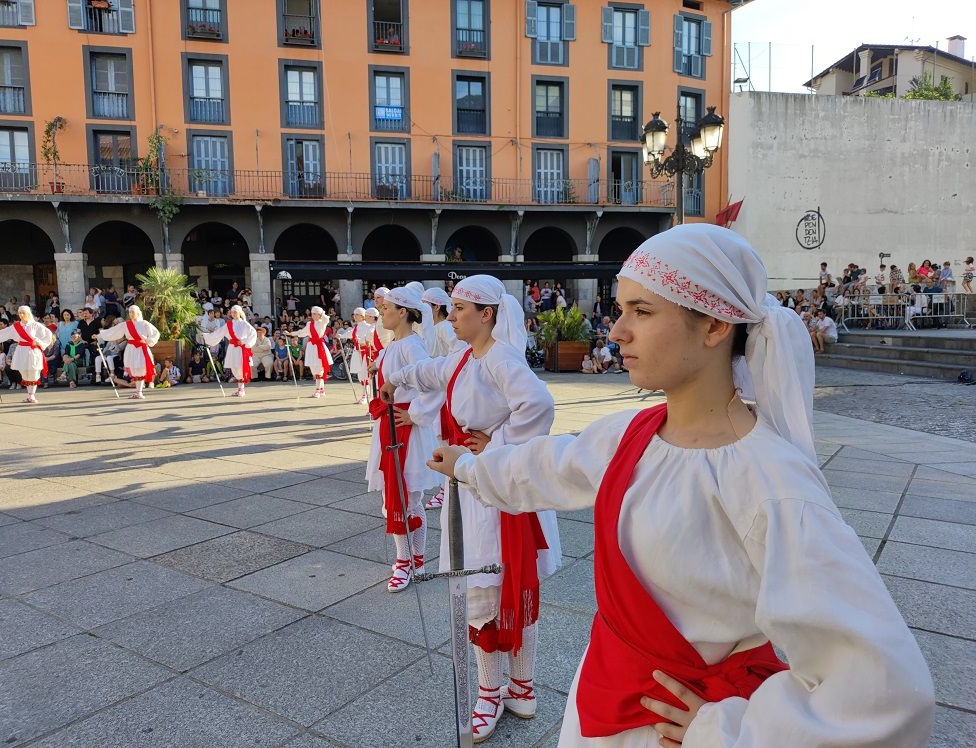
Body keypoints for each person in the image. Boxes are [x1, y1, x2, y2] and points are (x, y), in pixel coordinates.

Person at [427, 224, 934, 747]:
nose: (617, 330)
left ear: (714, 325)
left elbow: (884, 690)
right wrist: (467, 466)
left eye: (642, 312)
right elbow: (551, 464)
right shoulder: (634, 432)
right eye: (621, 309)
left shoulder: (773, 483)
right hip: (604, 699)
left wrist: (729, 730)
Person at [381, 275, 562, 742]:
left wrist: (493, 445)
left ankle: (512, 687)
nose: (453, 315)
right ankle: (494, 688)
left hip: (497, 488)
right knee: (484, 589)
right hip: (474, 485)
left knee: (492, 587)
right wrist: (394, 380)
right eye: (454, 307)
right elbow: (430, 372)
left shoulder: (500, 357)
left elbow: (538, 404)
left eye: (461, 308)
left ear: (487, 315)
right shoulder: (464, 355)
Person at [366, 286, 441, 593]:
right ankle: (410, 559)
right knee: (393, 494)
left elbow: (434, 382)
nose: (382, 312)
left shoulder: (413, 346)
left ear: (402, 313)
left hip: (405, 428)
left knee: (407, 496)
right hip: (389, 426)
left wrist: (416, 414)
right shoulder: (395, 345)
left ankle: (409, 561)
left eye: (387, 309)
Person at [420, 286, 462, 508]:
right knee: (440, 439)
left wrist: (440, 371)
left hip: (445, 392)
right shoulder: (432, 329)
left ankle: (447, 489)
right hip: (436, 390)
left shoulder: (445, 327)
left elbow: (459, 353)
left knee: (446, 438)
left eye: (426, 306)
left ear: (436, 307)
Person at [0, 305, 52, 403]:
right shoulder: (16, 326)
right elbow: (4, 333)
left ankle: (32, 395)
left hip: (32, 351)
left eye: (23, 312)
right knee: (24, 372)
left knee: (33, 372)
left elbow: (48, 335)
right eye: (19, 312)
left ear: (28, 313)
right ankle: (29, 395)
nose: (21, 314)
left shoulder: (35, 325)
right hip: (21, 350)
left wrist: (39, 342)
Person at [97, 305, 160, 400]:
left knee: (140, 368)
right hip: (131, 349)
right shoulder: (126, 324)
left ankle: (139, 392)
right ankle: (138, 392)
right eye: (130, 312)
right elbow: (114, 331)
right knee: (134, 370)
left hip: (141, 348)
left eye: (133, 312)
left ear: (137, 312)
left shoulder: (145, 324)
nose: (131, 314)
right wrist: (99, 335)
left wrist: (147, 339)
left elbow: (156, 333)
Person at [203, 305, 257, 397]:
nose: (233, 314)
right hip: (232, 348)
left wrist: (243, 341)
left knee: (240, 367)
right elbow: (219, 333)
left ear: (239, 313)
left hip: (241, 348)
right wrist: (206, 336)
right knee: (234, 368)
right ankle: (239, 388)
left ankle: (241, 389)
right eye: (232, 312)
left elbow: (253, 333)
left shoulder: (244, 324)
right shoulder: (228, 324)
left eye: (235, 312)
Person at [289, 306, 333, 398]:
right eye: (312, 313)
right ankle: (321, 389)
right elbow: (302, 332)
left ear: (319, 314)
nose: (312, 315)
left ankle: (319, 390)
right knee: (314, 368)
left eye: (315, 313)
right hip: (311, 347)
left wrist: (321, 312)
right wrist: (291, 334)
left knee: (319, 368)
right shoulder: (309, 324)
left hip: (319, 347)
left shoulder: (322, 322)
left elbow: (326, 318)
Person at [339, 307, 373, 404]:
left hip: (364, 351)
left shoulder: (367, 326)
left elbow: (369, 337)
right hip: (357, 351)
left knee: (365, 374)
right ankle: (364, 395)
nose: (355, 316)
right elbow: (351, 333)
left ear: (362, 316)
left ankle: (366, 395)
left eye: (357, 315)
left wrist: (362, 340)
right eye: (354, 315)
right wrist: (341, 336)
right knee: (360, 374)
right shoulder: (356, 326)